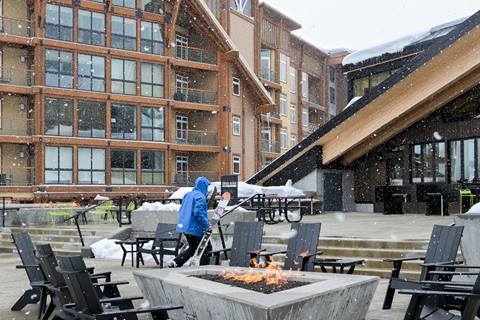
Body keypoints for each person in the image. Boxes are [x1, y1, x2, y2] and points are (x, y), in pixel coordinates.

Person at [168, 177, 212, 267]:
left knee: (193, 248)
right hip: (196, 228)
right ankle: (203, 268)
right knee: (206, 248)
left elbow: (183, 210)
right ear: (203, 186)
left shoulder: (188, 195)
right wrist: (207, 225)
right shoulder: (200, 196)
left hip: (186, 227)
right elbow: (198, 212)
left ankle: (176, 262)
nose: (207, 189)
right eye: (206, 187)